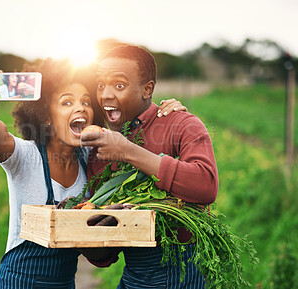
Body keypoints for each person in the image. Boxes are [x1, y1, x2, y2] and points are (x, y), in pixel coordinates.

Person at [0, 57, 186, 288]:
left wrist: (166, 114)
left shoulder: (90, 158)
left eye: (86, 102)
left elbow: (134, 143)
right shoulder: (25, 156)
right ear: (45, 115)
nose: (80, 107)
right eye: (66, 103)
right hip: (16, 281)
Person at [80, 45, 218, 288]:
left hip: (183, 269)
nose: (106, 95)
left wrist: (127, 151)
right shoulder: (99, 152)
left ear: (147, 89)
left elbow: (206, 185)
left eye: (119, 85)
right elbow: (105, 255)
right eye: (101, 85)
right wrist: (88, 234)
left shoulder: (181, 124)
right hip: (136, 272)